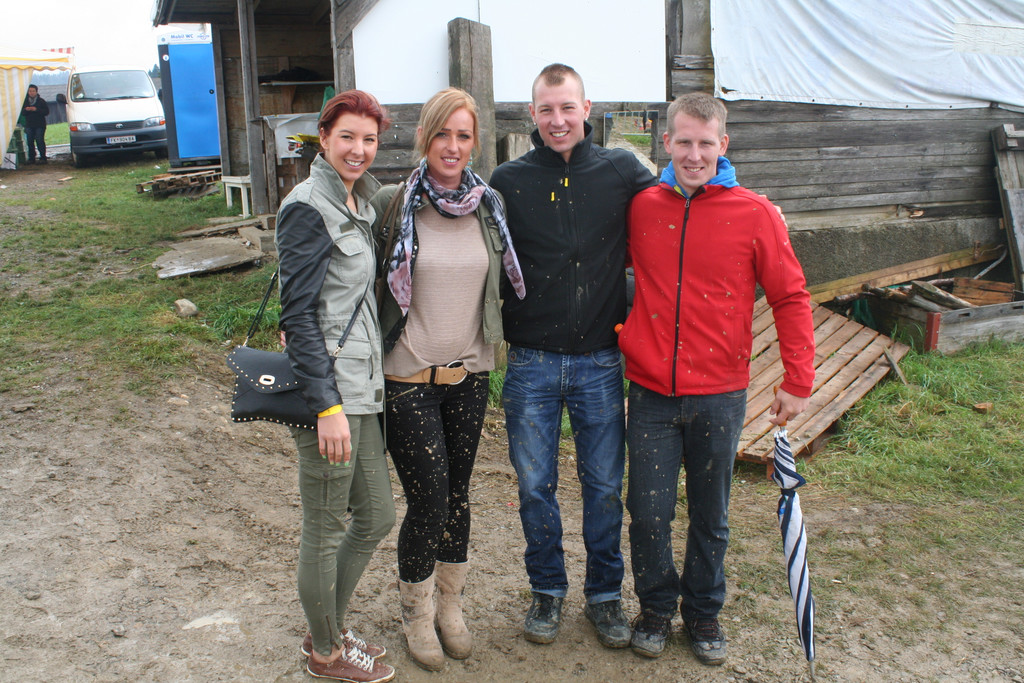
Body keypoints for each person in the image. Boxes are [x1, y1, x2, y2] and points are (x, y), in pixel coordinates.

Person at [620, 92, 815, 665]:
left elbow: (790, 295)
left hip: (719, 394)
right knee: (648, 513)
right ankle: (656, 607)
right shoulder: (642, 207)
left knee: (711, 514)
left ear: (723, 145)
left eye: (706, 143)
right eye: (683, 142)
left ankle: (704, 611)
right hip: (651, 392)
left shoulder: (755, 214)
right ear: (666, 142)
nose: (694, 154)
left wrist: (798, 380)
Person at [488, 64, 656, 648]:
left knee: (604, 486)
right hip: (530, 362)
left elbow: (679, 195)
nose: (557, 120)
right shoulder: (508, 181)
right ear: (531, 114)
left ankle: (605, 596)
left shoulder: (621, 170)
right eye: (546, 109)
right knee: (535, 486)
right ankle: (547, 589)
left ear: (587, 108)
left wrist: (739, 193)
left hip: (600, 362)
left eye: (567, 107)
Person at [370, 87, 525, 671]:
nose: (452, 146)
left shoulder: (489, 205)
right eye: (442, 133)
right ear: (423, 137)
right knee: (429, 499)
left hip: (469, 375)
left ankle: (450, 606)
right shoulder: (393, 203)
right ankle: (416, 611)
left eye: (463, 135)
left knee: (458, 495)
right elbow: (355, 276)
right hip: (406, 377)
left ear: (474, 141)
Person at [275, 90, 397, 683]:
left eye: (369, 139)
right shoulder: (307, 207)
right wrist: (325, 407)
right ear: (323, 138)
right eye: (347, 136)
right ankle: (325, 652)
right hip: (328, 396)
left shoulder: (360, 202)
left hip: (362, 388)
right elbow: (297, 316)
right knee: (325, 527)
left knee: (376, 516)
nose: (358, 149)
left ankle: (326, 622)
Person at [21, 85, 49, 164]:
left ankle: (43, 157)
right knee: (30, 141)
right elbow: (22, 113)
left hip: (40, 125)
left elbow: (46, 112)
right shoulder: (25, 102)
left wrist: (36, 109)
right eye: (30, 91)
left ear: (36, 92)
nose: (31, 93)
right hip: (29, 125)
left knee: (39, 140)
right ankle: (31, 158)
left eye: (33, 91)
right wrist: (26, 110)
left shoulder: (41, 101)